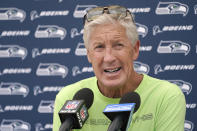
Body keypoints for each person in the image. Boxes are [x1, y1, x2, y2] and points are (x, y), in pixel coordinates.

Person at [53, 5, 186, 131]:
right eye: (99, 47)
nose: (109, 57)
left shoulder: (166, 96)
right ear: (89, 54)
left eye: (118, 45)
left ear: (135, 49)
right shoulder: (69, 98)